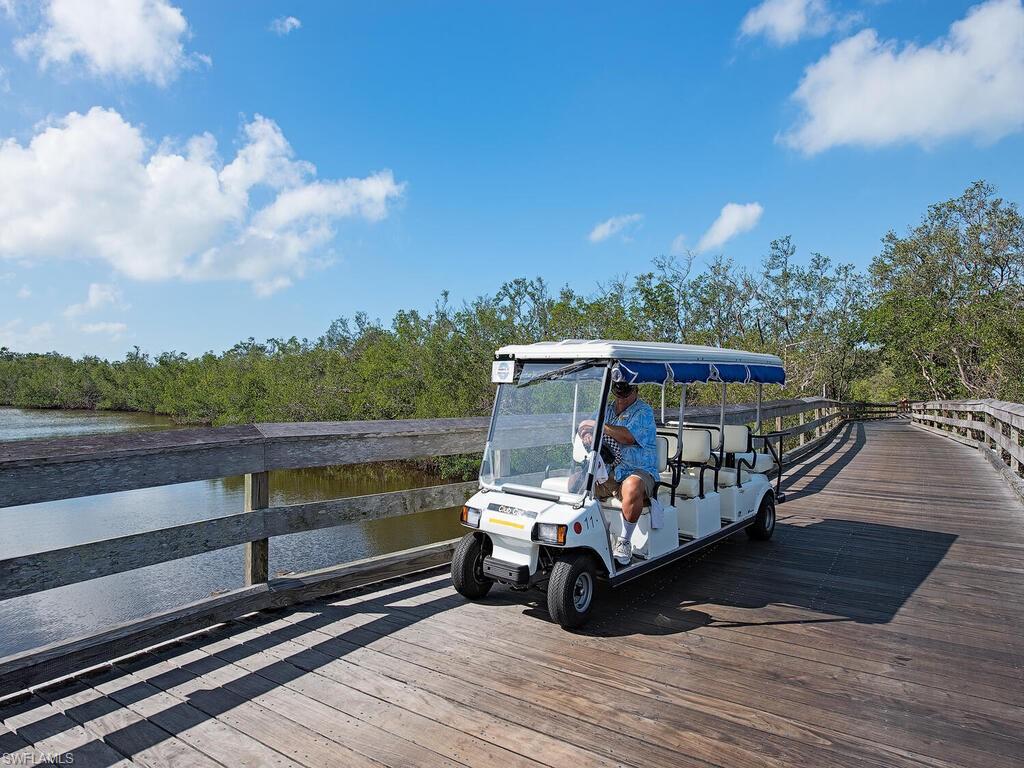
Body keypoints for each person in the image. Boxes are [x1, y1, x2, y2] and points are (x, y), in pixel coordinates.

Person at [577, 380, 660, 565]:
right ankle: (594, 535)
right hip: (608, 470)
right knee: (575, 484)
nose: (622, 396)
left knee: (631, 486)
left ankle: (624, 541)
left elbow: (627, 436)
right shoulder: (606, 409)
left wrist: (598, 426)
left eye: (627, 390)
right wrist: (586, 434)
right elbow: (584, 426)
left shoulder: (644, 412)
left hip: (639, 470)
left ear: (636, 390)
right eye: (618, 390)